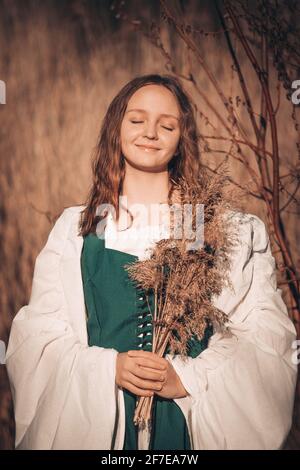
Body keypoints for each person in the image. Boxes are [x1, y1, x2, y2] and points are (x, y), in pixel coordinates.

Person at [5, 74, 297, 450]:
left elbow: (264, 336)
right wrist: (109, 368)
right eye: (137, 120)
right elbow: (38, 338)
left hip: (187, 430)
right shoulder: (78, 229)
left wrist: (190, 378)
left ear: (182, 139)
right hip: (101, 431)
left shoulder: (219, 231)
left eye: (167, 124)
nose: (151, 133)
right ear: (116, 127)